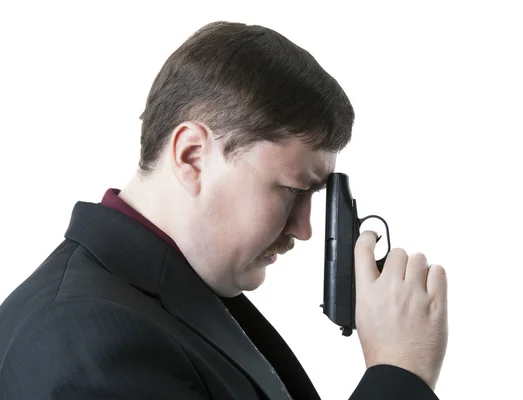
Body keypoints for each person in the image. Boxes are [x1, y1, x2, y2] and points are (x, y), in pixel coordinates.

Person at [0, 21, 448, 399]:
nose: (306, 229)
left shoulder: (180, 293)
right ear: (193, 155)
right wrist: (399, 371)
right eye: (293, 190)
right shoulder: (84, 338)